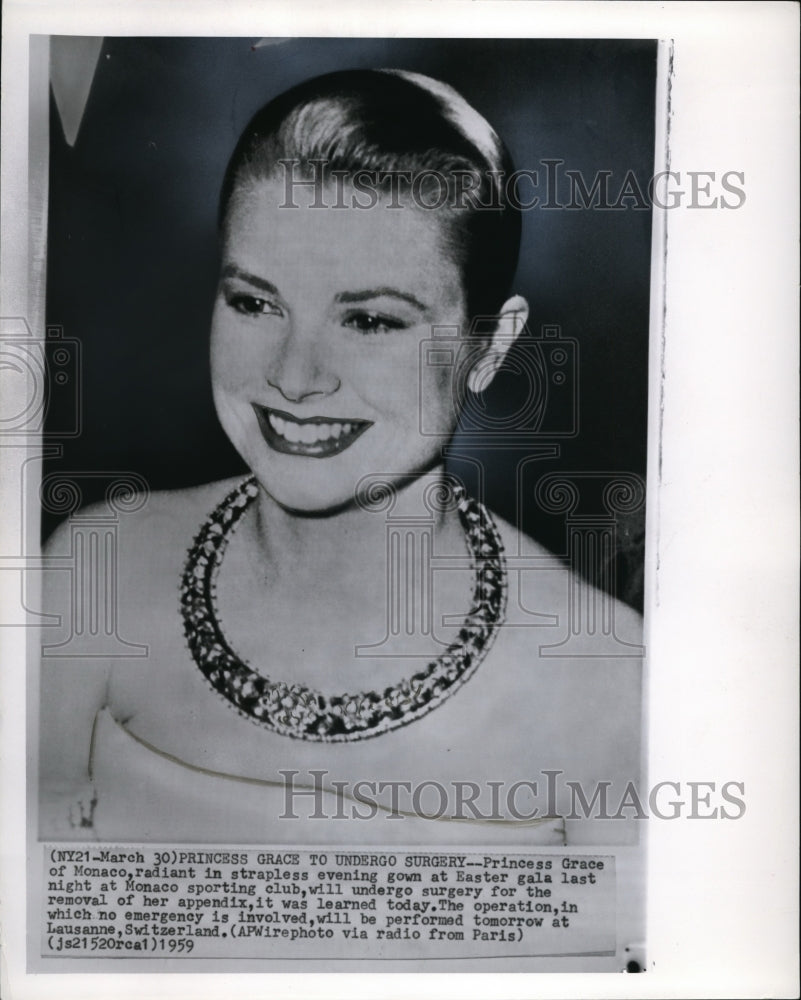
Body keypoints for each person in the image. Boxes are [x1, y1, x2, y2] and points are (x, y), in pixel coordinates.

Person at [39, 69, 642, 846]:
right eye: (256, 303)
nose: (295, 378)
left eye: (370, 321)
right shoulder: (97, 570)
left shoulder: (605, 678)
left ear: (489, 347)